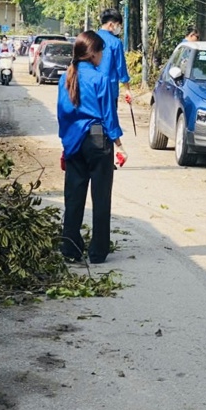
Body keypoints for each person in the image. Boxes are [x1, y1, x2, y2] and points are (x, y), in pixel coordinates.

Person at [57, 31, 126, 264]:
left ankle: (71, 248)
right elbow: (108, 116)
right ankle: (97, 252)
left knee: (74, 197)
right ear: (94, 53)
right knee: (101, 197)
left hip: (74, 141)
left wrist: (66, 142)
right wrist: (119, 144)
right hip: (98, 140)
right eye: (101, 52)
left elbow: (63, 113)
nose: (103, 56)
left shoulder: (65, 78)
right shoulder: (100, 79)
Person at [97, 9, 132, 109]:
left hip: (91, 89)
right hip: (110, 90)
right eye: (118, 25)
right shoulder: (115, 42)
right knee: (109, 121)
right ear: (111, 25)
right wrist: (127, 89)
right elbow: (121, 67)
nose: (119, 28)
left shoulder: (91, 39)